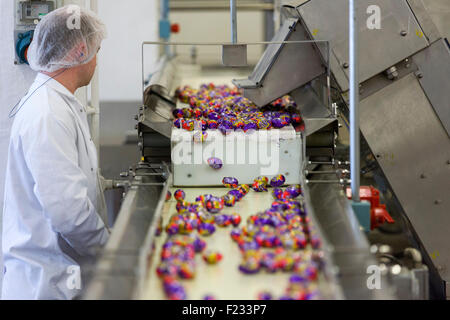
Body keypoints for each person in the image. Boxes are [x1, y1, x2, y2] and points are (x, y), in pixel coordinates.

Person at [2, 5, 109, 300]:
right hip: (45, 284)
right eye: (96, 51)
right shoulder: (48, 113)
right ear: (81, 51)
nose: (97, 61)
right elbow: (68, 212)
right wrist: (110, 252)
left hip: (59, 276)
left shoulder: (57, 102)